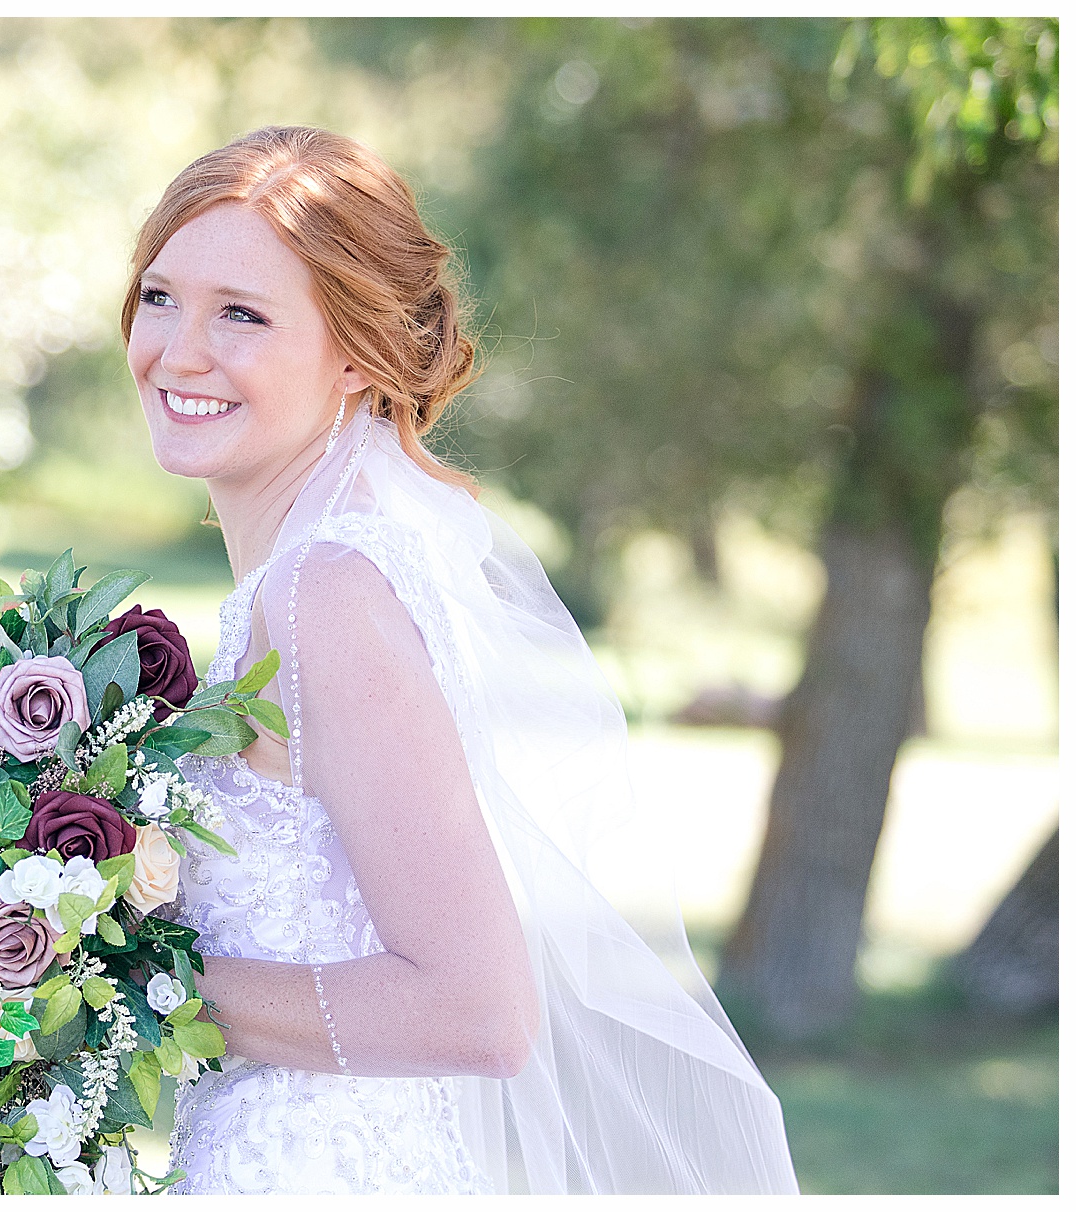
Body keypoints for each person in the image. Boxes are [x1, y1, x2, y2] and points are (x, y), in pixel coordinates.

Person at [121, 126, 799, 1195]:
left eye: (242, 314)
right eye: (161, 296)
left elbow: (478, 1011)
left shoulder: (324, 596)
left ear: (354, 350)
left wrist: (111, 982)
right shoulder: (313, 573)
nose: (180, 349)